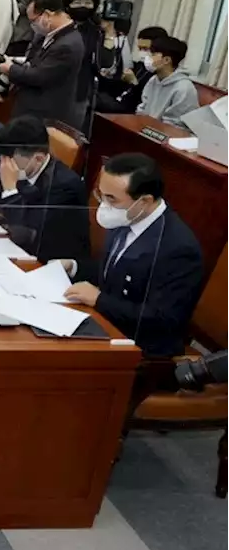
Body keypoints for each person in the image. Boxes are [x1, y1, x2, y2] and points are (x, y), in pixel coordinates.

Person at [62, 154, 202, 398]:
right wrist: (74, 267)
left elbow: (163, 319)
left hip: (143, 350)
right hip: (108, 324)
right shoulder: (127, 218)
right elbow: (115, 271)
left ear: (145, 201)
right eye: (100, 195)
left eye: (111, 199)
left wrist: (99, 300)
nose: (103, 205)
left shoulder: (178, 248)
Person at [0, 115, 91, 262]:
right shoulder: (25, 168)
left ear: (38, 158)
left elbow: (27, 229)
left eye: (10, 161)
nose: (5, 166)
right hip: (22, 249)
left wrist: (10, 189)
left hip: (52, 262)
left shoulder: (65, 186)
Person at [0, 0, 85, 128]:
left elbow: (40, 76)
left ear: (47, 15)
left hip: (42, 114)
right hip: (27, 108)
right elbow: (35, 62)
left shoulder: (68, 44)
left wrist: (10, 69)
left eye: (33, 21)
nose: (32, 25)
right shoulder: (48, 35)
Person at [98, 25, 166, 113]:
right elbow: (117, 87)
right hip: (118, 101)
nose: (142, 53)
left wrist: (134, 83)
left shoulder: (160, 75)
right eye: (140, 48)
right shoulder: (140, 67)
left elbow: (145, 102)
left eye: (145, 49)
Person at [136, 35, 199, 125]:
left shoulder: (184, 88)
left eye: (153, 54)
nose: (148, 57)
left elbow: (174, 124)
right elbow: (142, 109)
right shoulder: (153, 80)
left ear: (166, 60)